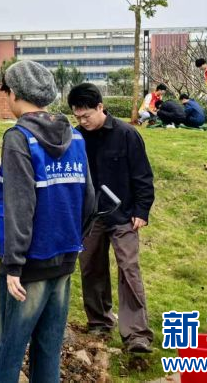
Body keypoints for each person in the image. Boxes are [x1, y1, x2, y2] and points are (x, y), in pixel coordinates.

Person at [0, 61, 95, 382]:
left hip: (27, 265)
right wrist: (73, 240)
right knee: (49, 347)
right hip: (64, 258)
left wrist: (14, 264)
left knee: (8, 348)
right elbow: (89, 200)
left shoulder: (19, 138)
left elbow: (20, 205)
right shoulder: (76, 137)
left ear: (14, 93)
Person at [68, 83, 155, 354]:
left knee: (129, 269)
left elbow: (143, 175)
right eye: (77, 117)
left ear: (100, 107)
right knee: (91, 267)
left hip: (124, 215)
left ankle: (137, 334)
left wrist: (141, 210)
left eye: (86, 116)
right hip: (90, 217)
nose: (82, 121)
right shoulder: (76, 138)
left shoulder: (127, 134)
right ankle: (99, 321)